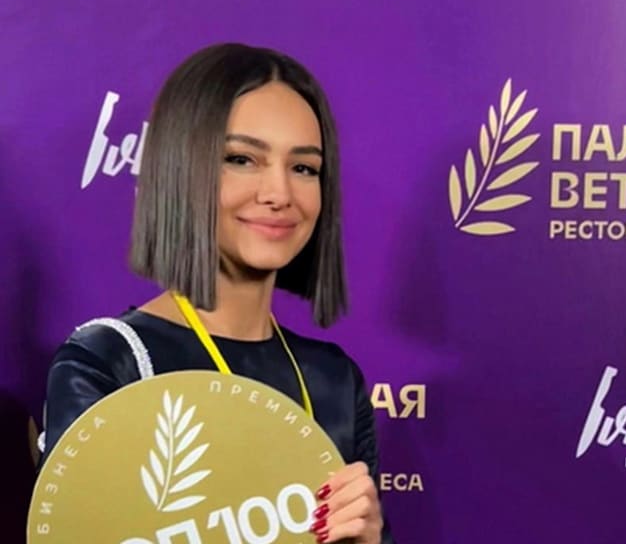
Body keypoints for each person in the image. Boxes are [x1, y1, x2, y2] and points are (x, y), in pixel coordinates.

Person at [39, 43, 393, 544]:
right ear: (181, 170)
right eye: (241, 159)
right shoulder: (108, 363)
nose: (279, 194)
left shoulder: (334, 379)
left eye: (304, 168)